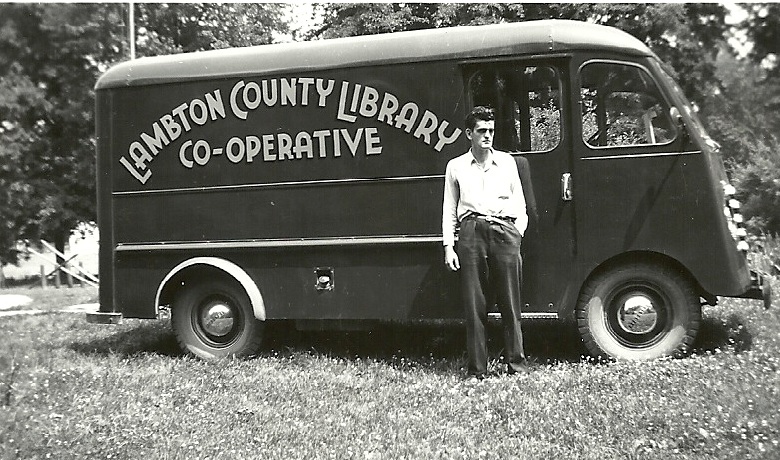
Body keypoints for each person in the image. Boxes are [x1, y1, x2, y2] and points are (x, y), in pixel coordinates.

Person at [442, 106, 529, 379]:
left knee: (510, 303)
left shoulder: (507, 162)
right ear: (469, 133)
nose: (488, 136)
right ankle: (477, 369)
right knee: (474, 304)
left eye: (491, 130)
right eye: (481, 131)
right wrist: (449, 246)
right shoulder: (455, 166)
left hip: (504, 231)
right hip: (471, 233)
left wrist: (517, 235)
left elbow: (520, 203)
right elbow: (449, 207)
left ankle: (516, 365)